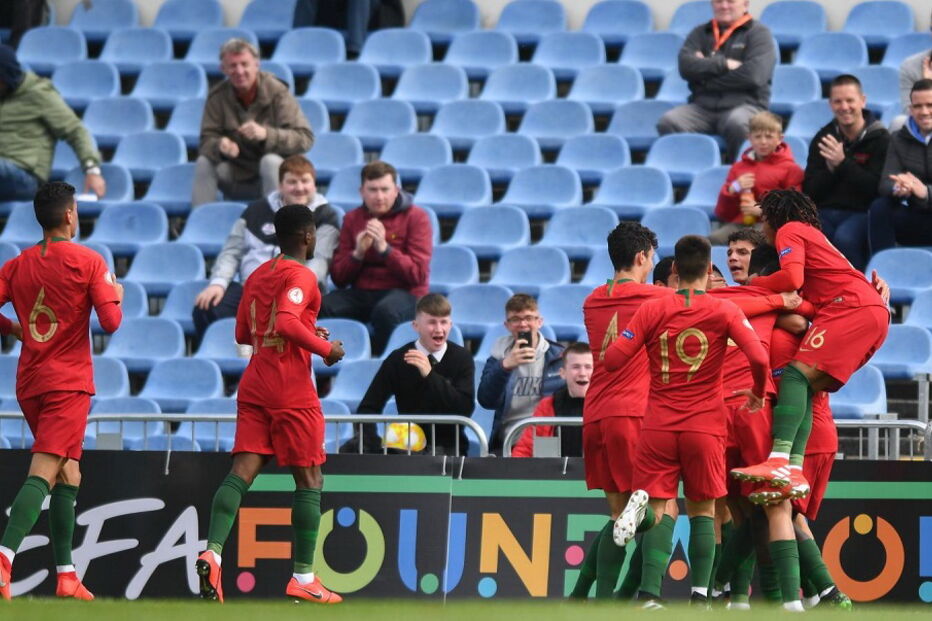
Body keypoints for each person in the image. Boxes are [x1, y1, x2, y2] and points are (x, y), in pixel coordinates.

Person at [731, 189, 889, 608]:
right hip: (861, 310)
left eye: (762, 219)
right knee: (807, 380)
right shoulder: (818, 243)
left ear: (776, 216)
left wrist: (754, 289)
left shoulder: (790, 230)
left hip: (853, 310)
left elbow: (793, 284)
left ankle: (784, 459)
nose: (762, 227)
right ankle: (818, 594)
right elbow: (811, 298)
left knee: (799, 376)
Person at [606, 234, 770, 608]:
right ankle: (700, 596)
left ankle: (649, 595)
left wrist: (632, 346)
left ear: (675, 269)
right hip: (704, 425)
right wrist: (758, 392)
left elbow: (614, 359)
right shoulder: (724, 309)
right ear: (709, 268)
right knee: (703, 510)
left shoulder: (652, 309)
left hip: (659, 424)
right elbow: (759, 359)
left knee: (660, 506)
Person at [195, 205, 345, 605]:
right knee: (309, 481)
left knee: (240, 473)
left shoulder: (257, 275)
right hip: (290, 388)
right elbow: (285, 323)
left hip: (255, 383)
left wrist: (306, 329)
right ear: (308, 236)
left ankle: (212, 551)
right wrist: (325, 348)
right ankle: (304, 577)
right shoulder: (302, 275)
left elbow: (245, 330)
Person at [0, 181, 123, 601]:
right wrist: (117, 297)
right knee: (46, 469)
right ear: (70, 215)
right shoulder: (90, 261)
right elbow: (110, 324)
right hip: (67, 384)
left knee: (70, 472)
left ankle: (67, 575)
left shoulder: (16, 266)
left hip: (30, 383)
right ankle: (3, 557)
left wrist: (12, 327)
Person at [571, 222, 678, 602]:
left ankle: (601, 604)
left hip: (596, 414)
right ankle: (650, 597)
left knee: (619, 518)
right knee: (665, 507)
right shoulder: (656, 300)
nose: (652, 266)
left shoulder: (592, 300)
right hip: (636, 414)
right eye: (651, 259)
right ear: (640, 257)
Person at [192, 155, 341, 340]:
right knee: (207, 307)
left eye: (305, 181)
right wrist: (218, 283)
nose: (299, 187)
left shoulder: (326, 216)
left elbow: (318, 262)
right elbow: (231, 252)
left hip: (295, 292)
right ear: (280, 185)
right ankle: (225, 357)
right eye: (292, 182)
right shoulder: (255, 210)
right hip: (251, 288)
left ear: (314, 184)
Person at [320, 161, 432, 355]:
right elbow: (339, 279)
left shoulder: (416, 217)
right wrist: (358, 254)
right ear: (361, 191)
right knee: (323, 306)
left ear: (396, 190)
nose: (379, 196)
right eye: (372, 190)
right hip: (363, 292)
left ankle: (384, 368)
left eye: (385, 189)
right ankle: (324, 375)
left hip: (406, 293)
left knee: (386, 312)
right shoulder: (352, 219)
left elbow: (418, 275)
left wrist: (385, 249)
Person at [345, 293, 475, 455]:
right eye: (432, 322)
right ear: (416, 326)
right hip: (406, 450)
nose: (439, 329)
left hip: (450, 450)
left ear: (450, 324)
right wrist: (373, 444)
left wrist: (430, 375)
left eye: (444, 322)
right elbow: (368, 408)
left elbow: (464, 409)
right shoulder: (399, 359)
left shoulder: (462, 357)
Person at [193, 38, 313, 207]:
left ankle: (278, 226)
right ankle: (201, 223)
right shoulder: (217, 97)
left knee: (270, 161)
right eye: (233, 66)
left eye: (244, 64)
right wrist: (220, 145)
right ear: (223, 69)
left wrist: (267, 135)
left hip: (278, 178)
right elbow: (205, 140)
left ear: (256, 65)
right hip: (238, 174)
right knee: (204, 162)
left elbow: (305, 138)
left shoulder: (278, 92)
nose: (239, 71)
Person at [657, 0, 776, 161]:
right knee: (670, 121)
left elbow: (754, 76)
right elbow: (686, 67)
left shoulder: (759, 33)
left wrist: (705, 79)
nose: (724, 6)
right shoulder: (700, 33)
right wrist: (723, 64)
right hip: (702, 108)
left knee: (738, 123)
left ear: (745, 4)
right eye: (719, 1)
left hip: (746, 105)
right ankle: (695, 173)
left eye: (731, 1)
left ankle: (740, 175)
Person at [803, 74, 889, 271]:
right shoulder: (823, 138)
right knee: (811, 238)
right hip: (824, 211)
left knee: (846, 239)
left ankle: (856, 296)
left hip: (862, 212)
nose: (844, 107)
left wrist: (843, 164)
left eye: (850, 100)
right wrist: (831, 170)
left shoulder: (881, 138)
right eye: (838, 101)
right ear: (830, 104)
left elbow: (876, 189)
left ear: (862, 101)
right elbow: (809, 190)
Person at [0, 45, 105, 202]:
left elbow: (75, 131)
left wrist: (92, 170)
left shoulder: (39, 94)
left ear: (6, 76)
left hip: (24, 176)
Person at [478, 294, 565, 453]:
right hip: (508, 436)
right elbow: (486, 400)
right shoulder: (498, 356)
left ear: (540, 322)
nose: (523, 324)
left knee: (545, 474)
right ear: (507, 325)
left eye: (529, 318)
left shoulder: (558, 356)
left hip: (545, 437)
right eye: (515, 319)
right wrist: (505, 367)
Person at [712, 111, 803, 245]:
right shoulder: (738, 168)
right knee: (709, 242)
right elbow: (723, 213)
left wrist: (764, 212)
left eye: (769, 136)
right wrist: (734, 188)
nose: (763, 142)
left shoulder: (791, 169)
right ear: (749, 138)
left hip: (770, 227)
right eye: (758, 136)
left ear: (780, 138)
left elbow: (795, 210)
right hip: (740, 224)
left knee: (754, 244)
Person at [869, 79, 932, 254]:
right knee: (880, 206)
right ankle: (882, 271)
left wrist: (925, 192)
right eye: (918, 106)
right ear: (911, 110)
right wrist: (900, 187)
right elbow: (885, 183)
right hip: (916, 216)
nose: (924, 111)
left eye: (930, 105)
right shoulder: (899, 138)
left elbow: (923, 191)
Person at [513, 343, 592, 459]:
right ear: (563, 373)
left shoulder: (609, 407)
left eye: (588, 367)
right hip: (554, 475)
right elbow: (525, 449)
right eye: (576, 367)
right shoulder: (547, 406)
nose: (582, 373)